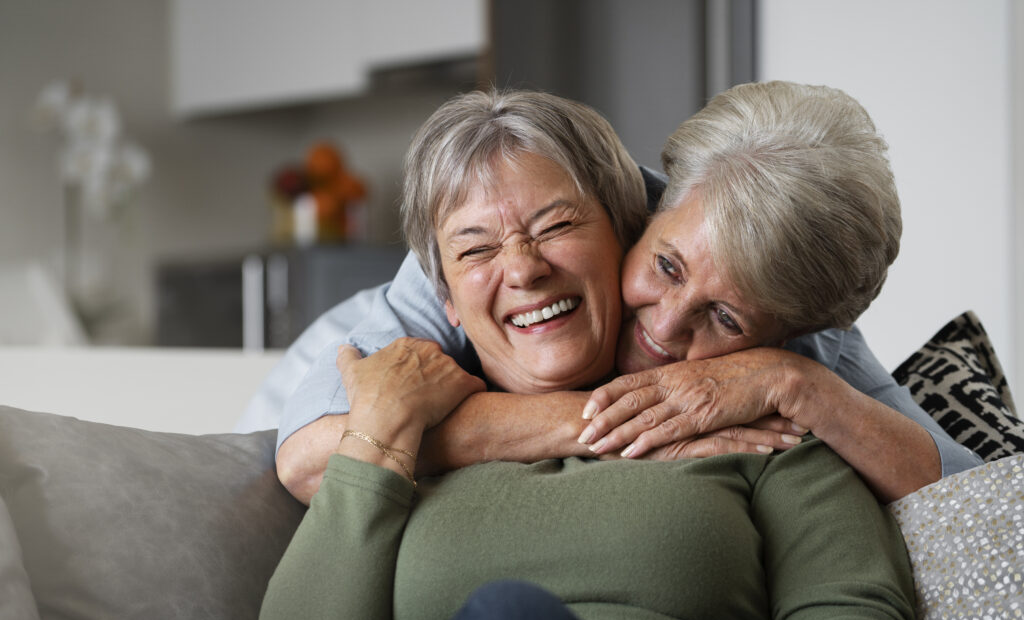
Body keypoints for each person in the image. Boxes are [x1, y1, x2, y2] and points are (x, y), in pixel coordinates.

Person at [254, 87, 916, 620]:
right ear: (444, 298)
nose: (523, 268)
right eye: (475, 249)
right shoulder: (402, 439)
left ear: (623, 230)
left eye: (557, 226)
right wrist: (380, 429)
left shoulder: (762, 427)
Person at [265, 82, 980, 506]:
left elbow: (967, 492)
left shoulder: (796, 316)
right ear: (647, 206)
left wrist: (793, 382)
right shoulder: (489, 249)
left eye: (726, 318)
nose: (666, 328)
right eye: (666, 266)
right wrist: (613, 427)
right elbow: (310, 456)